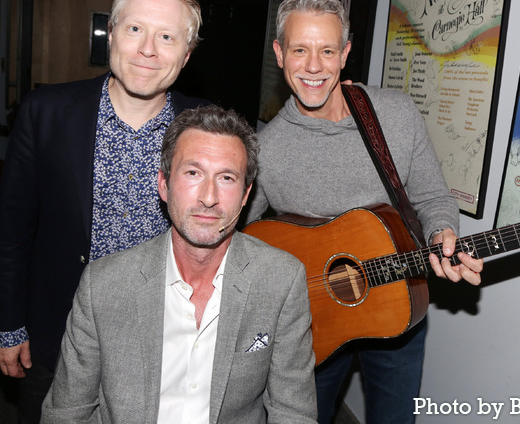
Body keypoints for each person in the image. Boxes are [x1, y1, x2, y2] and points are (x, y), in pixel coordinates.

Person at [241, 0, 484, 424]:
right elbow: (242, 241)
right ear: (279, 53)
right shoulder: (264, 150)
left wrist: (441, 233)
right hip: (313, 324)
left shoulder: (395, 114)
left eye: (327, 50)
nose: (314, 67)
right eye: (299, 49)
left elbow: (432, 197)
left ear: (345, 53)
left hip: (397, 310)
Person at [0, 0, 208, 422]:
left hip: (167, 346)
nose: (148, 50)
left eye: (167, 37)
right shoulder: (45, 112)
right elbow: (12, 231)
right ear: (111, 33)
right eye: (135, 29)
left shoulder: (208, 128)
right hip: (58, 335)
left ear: (186, 54)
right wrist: (10, 325)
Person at [41, 105, 316, 423]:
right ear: (163, 184)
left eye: (226, 178)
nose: (209, 197)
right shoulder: (102, 285)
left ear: (245, 195)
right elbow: (66, 413)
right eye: (193, 173)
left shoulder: (281, 281)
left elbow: (293, 413)